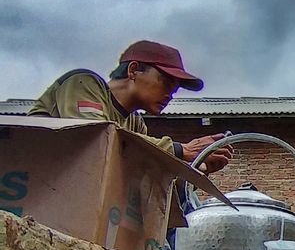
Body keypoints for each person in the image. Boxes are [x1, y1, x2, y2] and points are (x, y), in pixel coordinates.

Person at [30, 40, 232, 172]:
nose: (171, 94)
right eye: (166, 82)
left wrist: (201, 167)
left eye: (176, 88)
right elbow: (96, 139)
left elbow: (144, 179)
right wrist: (182, 150)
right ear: (134, 70)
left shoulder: (135, 124)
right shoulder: (83, 83)